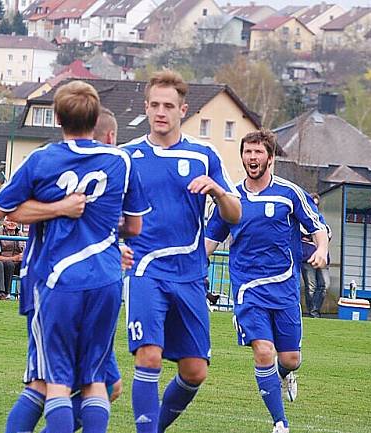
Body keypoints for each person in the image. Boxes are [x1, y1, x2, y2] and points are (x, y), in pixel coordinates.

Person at [0, 80, 149, 433]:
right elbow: (135, 227)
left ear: (57, 119)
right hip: (107, 279)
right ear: (97, 122)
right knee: (97, 381)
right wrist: (103, 230)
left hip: (56, 280)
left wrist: (59, 208)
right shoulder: (121, 161)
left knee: (53, 380)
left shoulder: (42, 159)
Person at [120, 70, 241, 433]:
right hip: (144, 271)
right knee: (150, 355)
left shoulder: (204, 155)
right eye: (154, 105)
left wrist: (217, 192)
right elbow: (107, 213)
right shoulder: (127, 157)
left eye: (168, 106)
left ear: (182, 110)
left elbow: (235, 214)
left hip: (190, 274)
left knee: (194, 371)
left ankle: (154, 427)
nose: (161, 111)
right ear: (146, 108)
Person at [206, 130, 328, 433]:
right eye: (247, 152)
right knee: (263, 352)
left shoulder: (289, 193)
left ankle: (286, 373)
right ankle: (280, 423)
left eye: (258, 152)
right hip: (248, 291)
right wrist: (189, 265)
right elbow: (209, 241)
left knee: (291, 358)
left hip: (285, 291)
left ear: (270, 158)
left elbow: (317, 227)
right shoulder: (230, 199)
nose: (252, 158)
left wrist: (322, 250)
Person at [300, 193, 331, 318]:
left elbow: (327, 235)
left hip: (322, 258)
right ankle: (313, 313)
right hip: (307, 258)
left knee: (324, 285)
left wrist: (315, 239)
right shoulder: (301, 222)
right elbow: (303, 235)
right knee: (311, 286)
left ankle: (315, 310)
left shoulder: (321, 221)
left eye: (317, 204)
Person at [0, 215, 25, 296]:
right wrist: (14, 258)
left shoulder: (20, 233)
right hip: (4, 264)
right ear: (4, 222)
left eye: (14, 220)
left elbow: (24, 250)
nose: (11, 223)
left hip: (18, 263)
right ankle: (7, 293)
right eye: (8, 220)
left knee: (29, 264)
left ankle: (29, 294)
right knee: (9, 264)